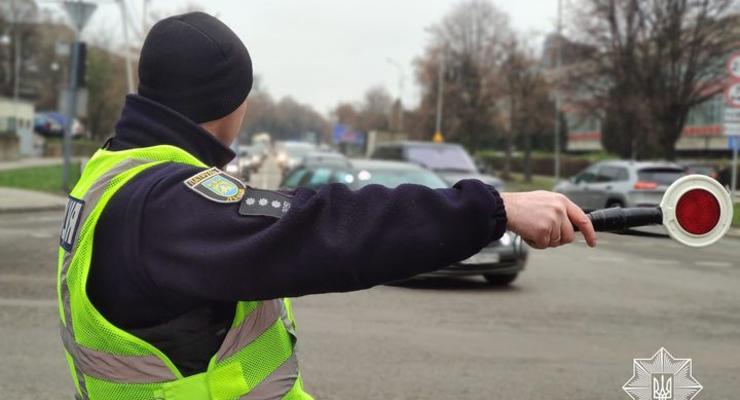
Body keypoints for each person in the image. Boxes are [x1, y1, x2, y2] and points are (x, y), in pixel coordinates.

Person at [57, 12, 596, 400]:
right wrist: (492, 209)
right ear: (231, 104)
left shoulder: (113, 173)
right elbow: (326, 230)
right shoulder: (164, 204)